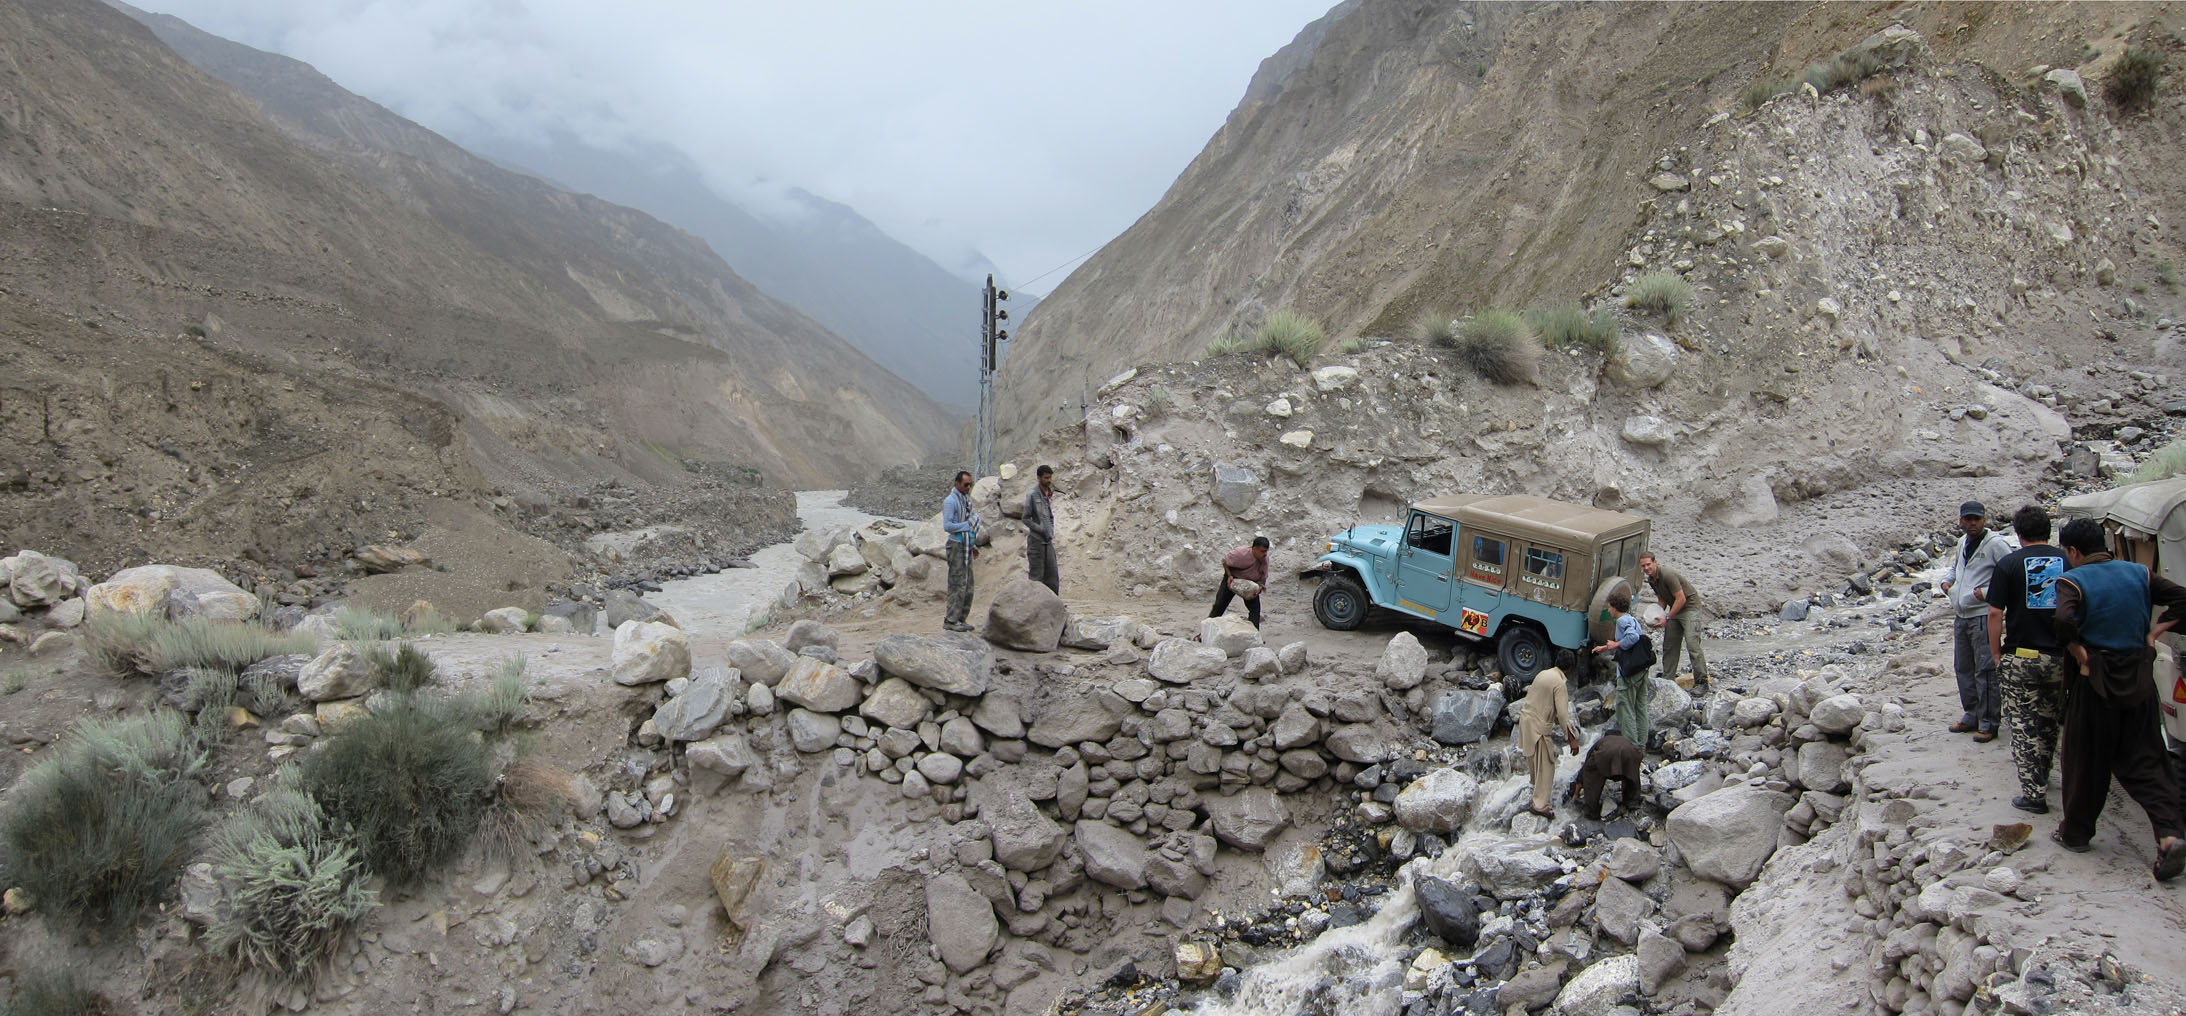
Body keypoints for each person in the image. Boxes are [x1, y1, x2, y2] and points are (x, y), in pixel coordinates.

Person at [2049, 518, 2186, 880]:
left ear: (2073, 551)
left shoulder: (2072, 581)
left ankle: (2075, 833)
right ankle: (2169, 834)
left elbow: (2062, 621)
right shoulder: (2139, 573)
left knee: (2086, 759)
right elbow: (2182, 598)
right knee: (2148, 759)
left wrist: (2080, 654)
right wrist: (2153, 634)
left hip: (2096, 679)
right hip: (2138, 677)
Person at [1983, 505, 2068, 814]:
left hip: (2021, 655)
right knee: (2049, 719)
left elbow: (1995, 612)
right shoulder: (2067, 560)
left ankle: (2033, 793)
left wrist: (1995, 652)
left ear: (2018, 534)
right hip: (2060, 656)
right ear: (2049, 530)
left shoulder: (2009, 563)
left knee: (2022, 724)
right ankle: (2043, 772)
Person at [1943, 500, 2016, 742]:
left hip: (1983, 614)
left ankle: (1989, 722)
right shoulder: (1962, 542)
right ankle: (1971, 714)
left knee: (1985, 670)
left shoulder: (1996, 544)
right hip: (1961, 614)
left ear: (1984, 520)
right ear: (1961, 521)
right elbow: (1955, 568)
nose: (1972, 523)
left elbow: (2011, 572)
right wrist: (1947, 583)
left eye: (1976, 519)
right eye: (1968, 519)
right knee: (1963, 667)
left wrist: (1986, 593)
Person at [1518, 651, 1583, 817]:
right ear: (1570, 668)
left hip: (1526, 721)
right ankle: (1540, 805)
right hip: (1539, 727)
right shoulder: (1559, 683)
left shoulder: (1543, 674)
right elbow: (1562, 714)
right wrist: (1572, 739)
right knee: (1546, 765)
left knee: (1535, 761)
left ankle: (1535, 789)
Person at [1640, 551, 1710, 689]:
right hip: (1675, 608)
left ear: (1655, 562)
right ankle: (1668, 679)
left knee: (1692, 644)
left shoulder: (1668, 575)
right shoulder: (1652, 579)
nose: (1646, 568)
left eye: (1648, 564)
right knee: (1669, 644)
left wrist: (1667, 617)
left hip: (1690, 608)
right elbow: (1662, 599)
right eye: (1643, 566)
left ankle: (1702, 681)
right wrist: (1656, 615)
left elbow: (1681, 598)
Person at [1592, 589, 1652, 749]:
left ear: (1615, 607)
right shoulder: (1632, 619)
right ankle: (1642, 745)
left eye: (1609, 607)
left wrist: (1616, 644)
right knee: (1640, 707)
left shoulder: (1621, 621)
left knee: (1625, 708)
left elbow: (1632, 637)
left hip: (1629, 673)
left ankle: (1632, 746)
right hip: (1642, 670)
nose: (1608, 610)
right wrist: (1605, 648)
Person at [1571, 731, 1644, 820]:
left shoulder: (1600, 743)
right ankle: (1632, 802)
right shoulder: (1626, 741)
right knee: (1631, 773)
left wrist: (1576, 793)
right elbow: (1630, 772)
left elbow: (1585, 769)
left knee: (1591, 774)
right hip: (1631, 753)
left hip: (1606, 754)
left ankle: (1592, 811)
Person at [941, 470, 980, 632]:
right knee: (957, 583)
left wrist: (972, 544)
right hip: (956, 546)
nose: (968, 488)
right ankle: (951, 620)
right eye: (965, 485)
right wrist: (967, 525)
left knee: (968, 584)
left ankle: (961, 619)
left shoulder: (966, 501)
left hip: (966, 545)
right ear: (957, 483)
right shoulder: (950, 502)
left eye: (970, 485)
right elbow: (948, 526)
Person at [1210, 536, 1270, 628]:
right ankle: (1205, 632)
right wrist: (1229, 575)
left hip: (1250, 583)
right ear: (1254, 549)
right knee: (1219, 606)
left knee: (1255, 610)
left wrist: (1257, 591)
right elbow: (1225, 561)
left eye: (1266, 551)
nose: (1265, 554)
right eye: (1262, 551)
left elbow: (1262, 579)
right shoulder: (1240, 553)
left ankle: (1254, 633)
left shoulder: (1264, 560)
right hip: (1233, 578)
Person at [1023, 465, 1059, 593]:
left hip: (1047, 541)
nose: (1049, 480)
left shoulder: (1048, 494)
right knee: (1036, 578)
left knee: (1052, 577)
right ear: (1039, 478)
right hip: (1036, 542)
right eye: (1046, 478)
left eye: (1050, 477)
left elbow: (1049, 516)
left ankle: (1053, 603)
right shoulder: (1032, 495)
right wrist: (1040, 528)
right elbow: (1025, 518)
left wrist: (1050, 530)